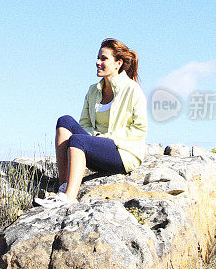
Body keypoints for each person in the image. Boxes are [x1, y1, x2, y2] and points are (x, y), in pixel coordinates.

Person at [39, 38, 148, 207]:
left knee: (78, 140)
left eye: (103, 59)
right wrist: (95, 137)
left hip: (123, 152)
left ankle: (68, 198)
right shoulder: (93, 91)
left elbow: (139, 130)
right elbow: (84, 124)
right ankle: (63, 187)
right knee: (65, 121)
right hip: (98, 147)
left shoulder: (132, 90)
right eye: (98, 58)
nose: (98, 62)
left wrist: (106, 138)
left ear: (118, 64)